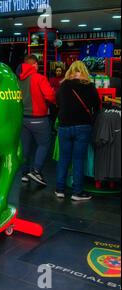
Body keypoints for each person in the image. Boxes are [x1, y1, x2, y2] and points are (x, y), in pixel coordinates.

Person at [55, 61, 100, 201]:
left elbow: (57, 103)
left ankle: (60, 190)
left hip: (64, 126)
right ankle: (77, 192)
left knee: (63, 159)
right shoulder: (90, 86)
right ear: (84, 71)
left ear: (70, 71)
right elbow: (96, 106)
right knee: (78, 160)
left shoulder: (63, 86)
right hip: (82, 127)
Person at [17, 54, 57, 186]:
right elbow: (50, 96)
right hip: (39, 119)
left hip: (22, 118)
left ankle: (24, 174)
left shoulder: (16, 79)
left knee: (25, 147)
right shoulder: (39, 78)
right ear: (34, 64)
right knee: (44, 144)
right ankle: (36, 171)